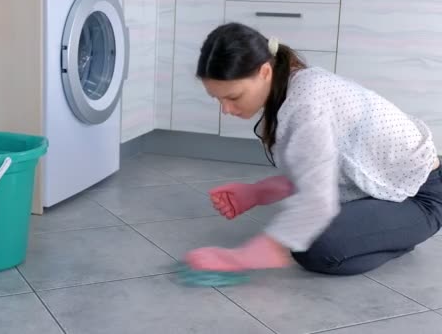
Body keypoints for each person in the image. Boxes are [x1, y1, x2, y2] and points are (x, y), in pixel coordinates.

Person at [185, 22, 442, 276]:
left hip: (423, 198)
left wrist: (245, 257)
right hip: (385, 190)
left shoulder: (307, 103)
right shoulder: (292, 89)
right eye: (218, 99)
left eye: (233, 97)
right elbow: (314, 171)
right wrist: (257, 193)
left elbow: (316, 201)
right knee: (304, 230)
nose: (226, 110)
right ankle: (385, 230)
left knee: (316, 247)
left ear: (264, 71)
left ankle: (401, 235)